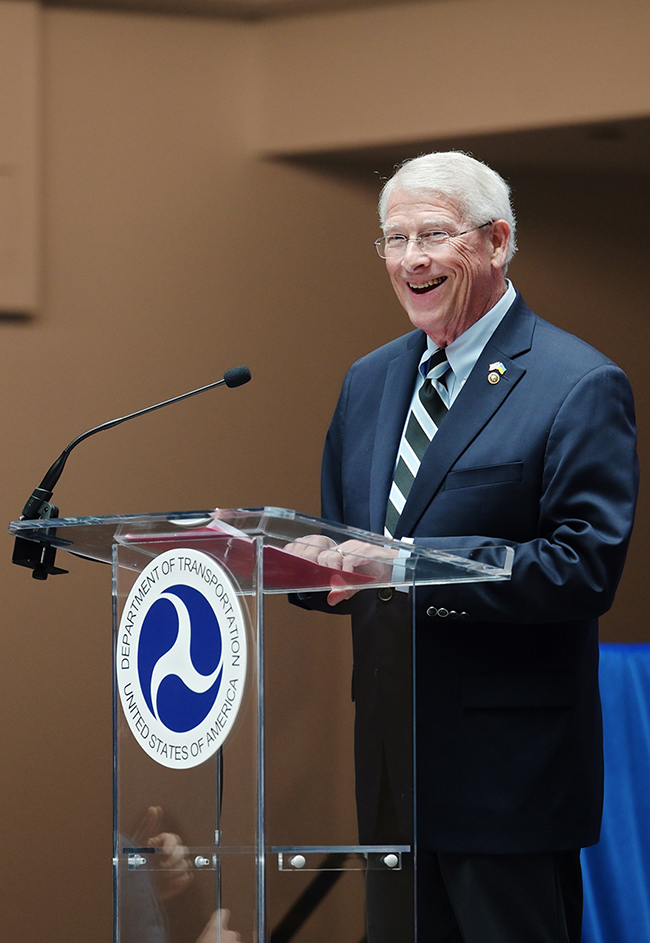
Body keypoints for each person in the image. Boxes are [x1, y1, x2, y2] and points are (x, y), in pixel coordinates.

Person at [287, 151, 638, 943]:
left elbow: (580, 569)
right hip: (391, 781)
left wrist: (408, 566)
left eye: (432, 235)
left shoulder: (577, 383)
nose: (410, 258)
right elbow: (352, 548)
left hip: (508, 785)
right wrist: (292, 565)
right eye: (393, 238)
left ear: (497, 240)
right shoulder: (368, 382)